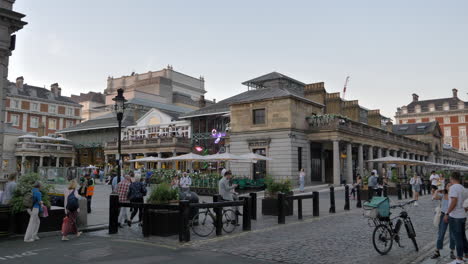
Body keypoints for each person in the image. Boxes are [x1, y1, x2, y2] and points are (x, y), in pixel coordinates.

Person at [444, 172, 468, 264]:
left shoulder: (454, 188)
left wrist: (447, 213)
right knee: (462, 237)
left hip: (455, 216)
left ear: (451, 178)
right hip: (462, 215)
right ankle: (466, 255)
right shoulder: (463, 188)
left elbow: (454, 201)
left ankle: (459, 258)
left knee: (457, 238)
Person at [431, 183, 456, 260]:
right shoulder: (443, 195)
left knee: (452, 235)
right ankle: (437, 251)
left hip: (452, 216)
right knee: (441, 233)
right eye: (448, 185)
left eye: (451, 185)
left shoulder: (455, 196)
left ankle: (452, 251)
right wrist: (437, 190)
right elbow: (435, 197)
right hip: (443, 216)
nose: (450, 187)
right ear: (446, 187)